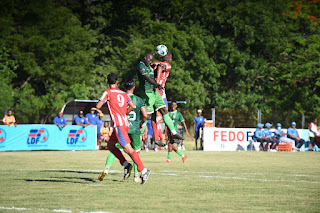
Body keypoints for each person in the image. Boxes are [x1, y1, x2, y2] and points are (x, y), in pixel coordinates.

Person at [96, 73, 150, 184]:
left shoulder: (107, 92)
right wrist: (123, 113)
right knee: (110, 145)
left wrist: (98, 110)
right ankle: (126, 165)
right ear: (117, 82)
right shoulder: (123, 93)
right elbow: (133, 106)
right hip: (124, 124)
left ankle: (144, 171)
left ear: (107, 82)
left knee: (128, 149)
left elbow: (98, 106)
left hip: (119, 125)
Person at [136, 53, 184, 147]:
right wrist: (157, 83)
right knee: (148, 116)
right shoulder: (141, 65)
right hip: (147, 93)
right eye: (149, 60)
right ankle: (138, 136)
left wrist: (156, 84)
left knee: (164, 110)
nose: (150, 62)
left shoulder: (149, 65)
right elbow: (146, 76)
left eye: (151, 60)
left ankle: (174, 133)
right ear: (145, 58)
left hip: (155, 91)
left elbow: (157, 67)